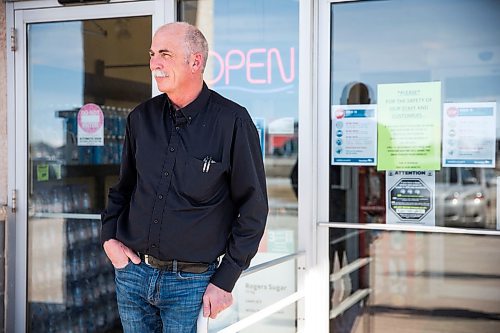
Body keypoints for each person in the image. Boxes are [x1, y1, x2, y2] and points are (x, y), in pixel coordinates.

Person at [101, 22, 268, 333]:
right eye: (152, 54)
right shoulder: (140, 118)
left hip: (191, 286)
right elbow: (123, 188)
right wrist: (109, 239)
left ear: (196, 62)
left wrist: (225, 280)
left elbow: (253, 210)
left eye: (165, 54)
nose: (154, 64)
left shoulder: (232, 122)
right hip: (133, 274)